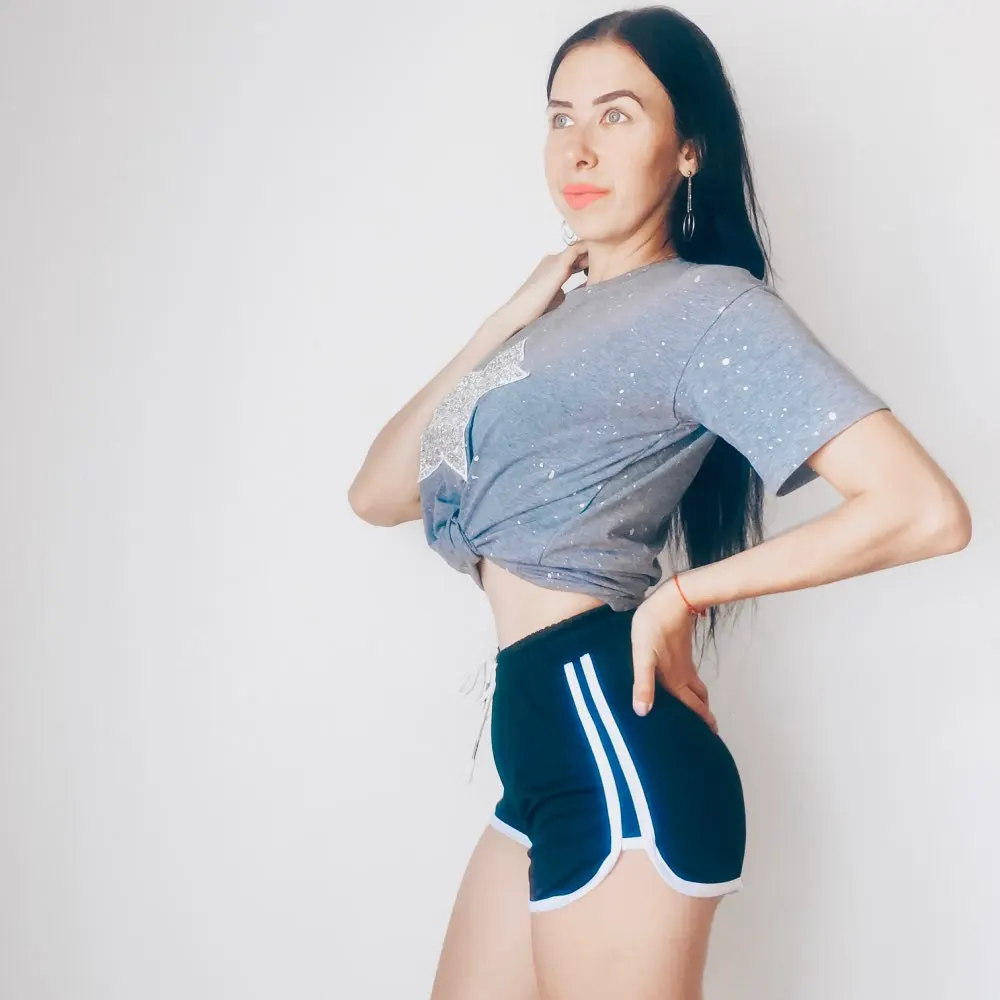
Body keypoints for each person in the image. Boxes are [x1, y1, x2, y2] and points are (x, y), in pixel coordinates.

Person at [347, 6, 972, 998]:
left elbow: (921, 509)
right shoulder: (541, 326)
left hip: (610, 736)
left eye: (617, 115)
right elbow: (378, 490)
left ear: (688, 150)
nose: (578, 147)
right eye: (560, 117)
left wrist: (682, 596)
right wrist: (506, 316)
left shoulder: (707, 307)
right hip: (542, 745)